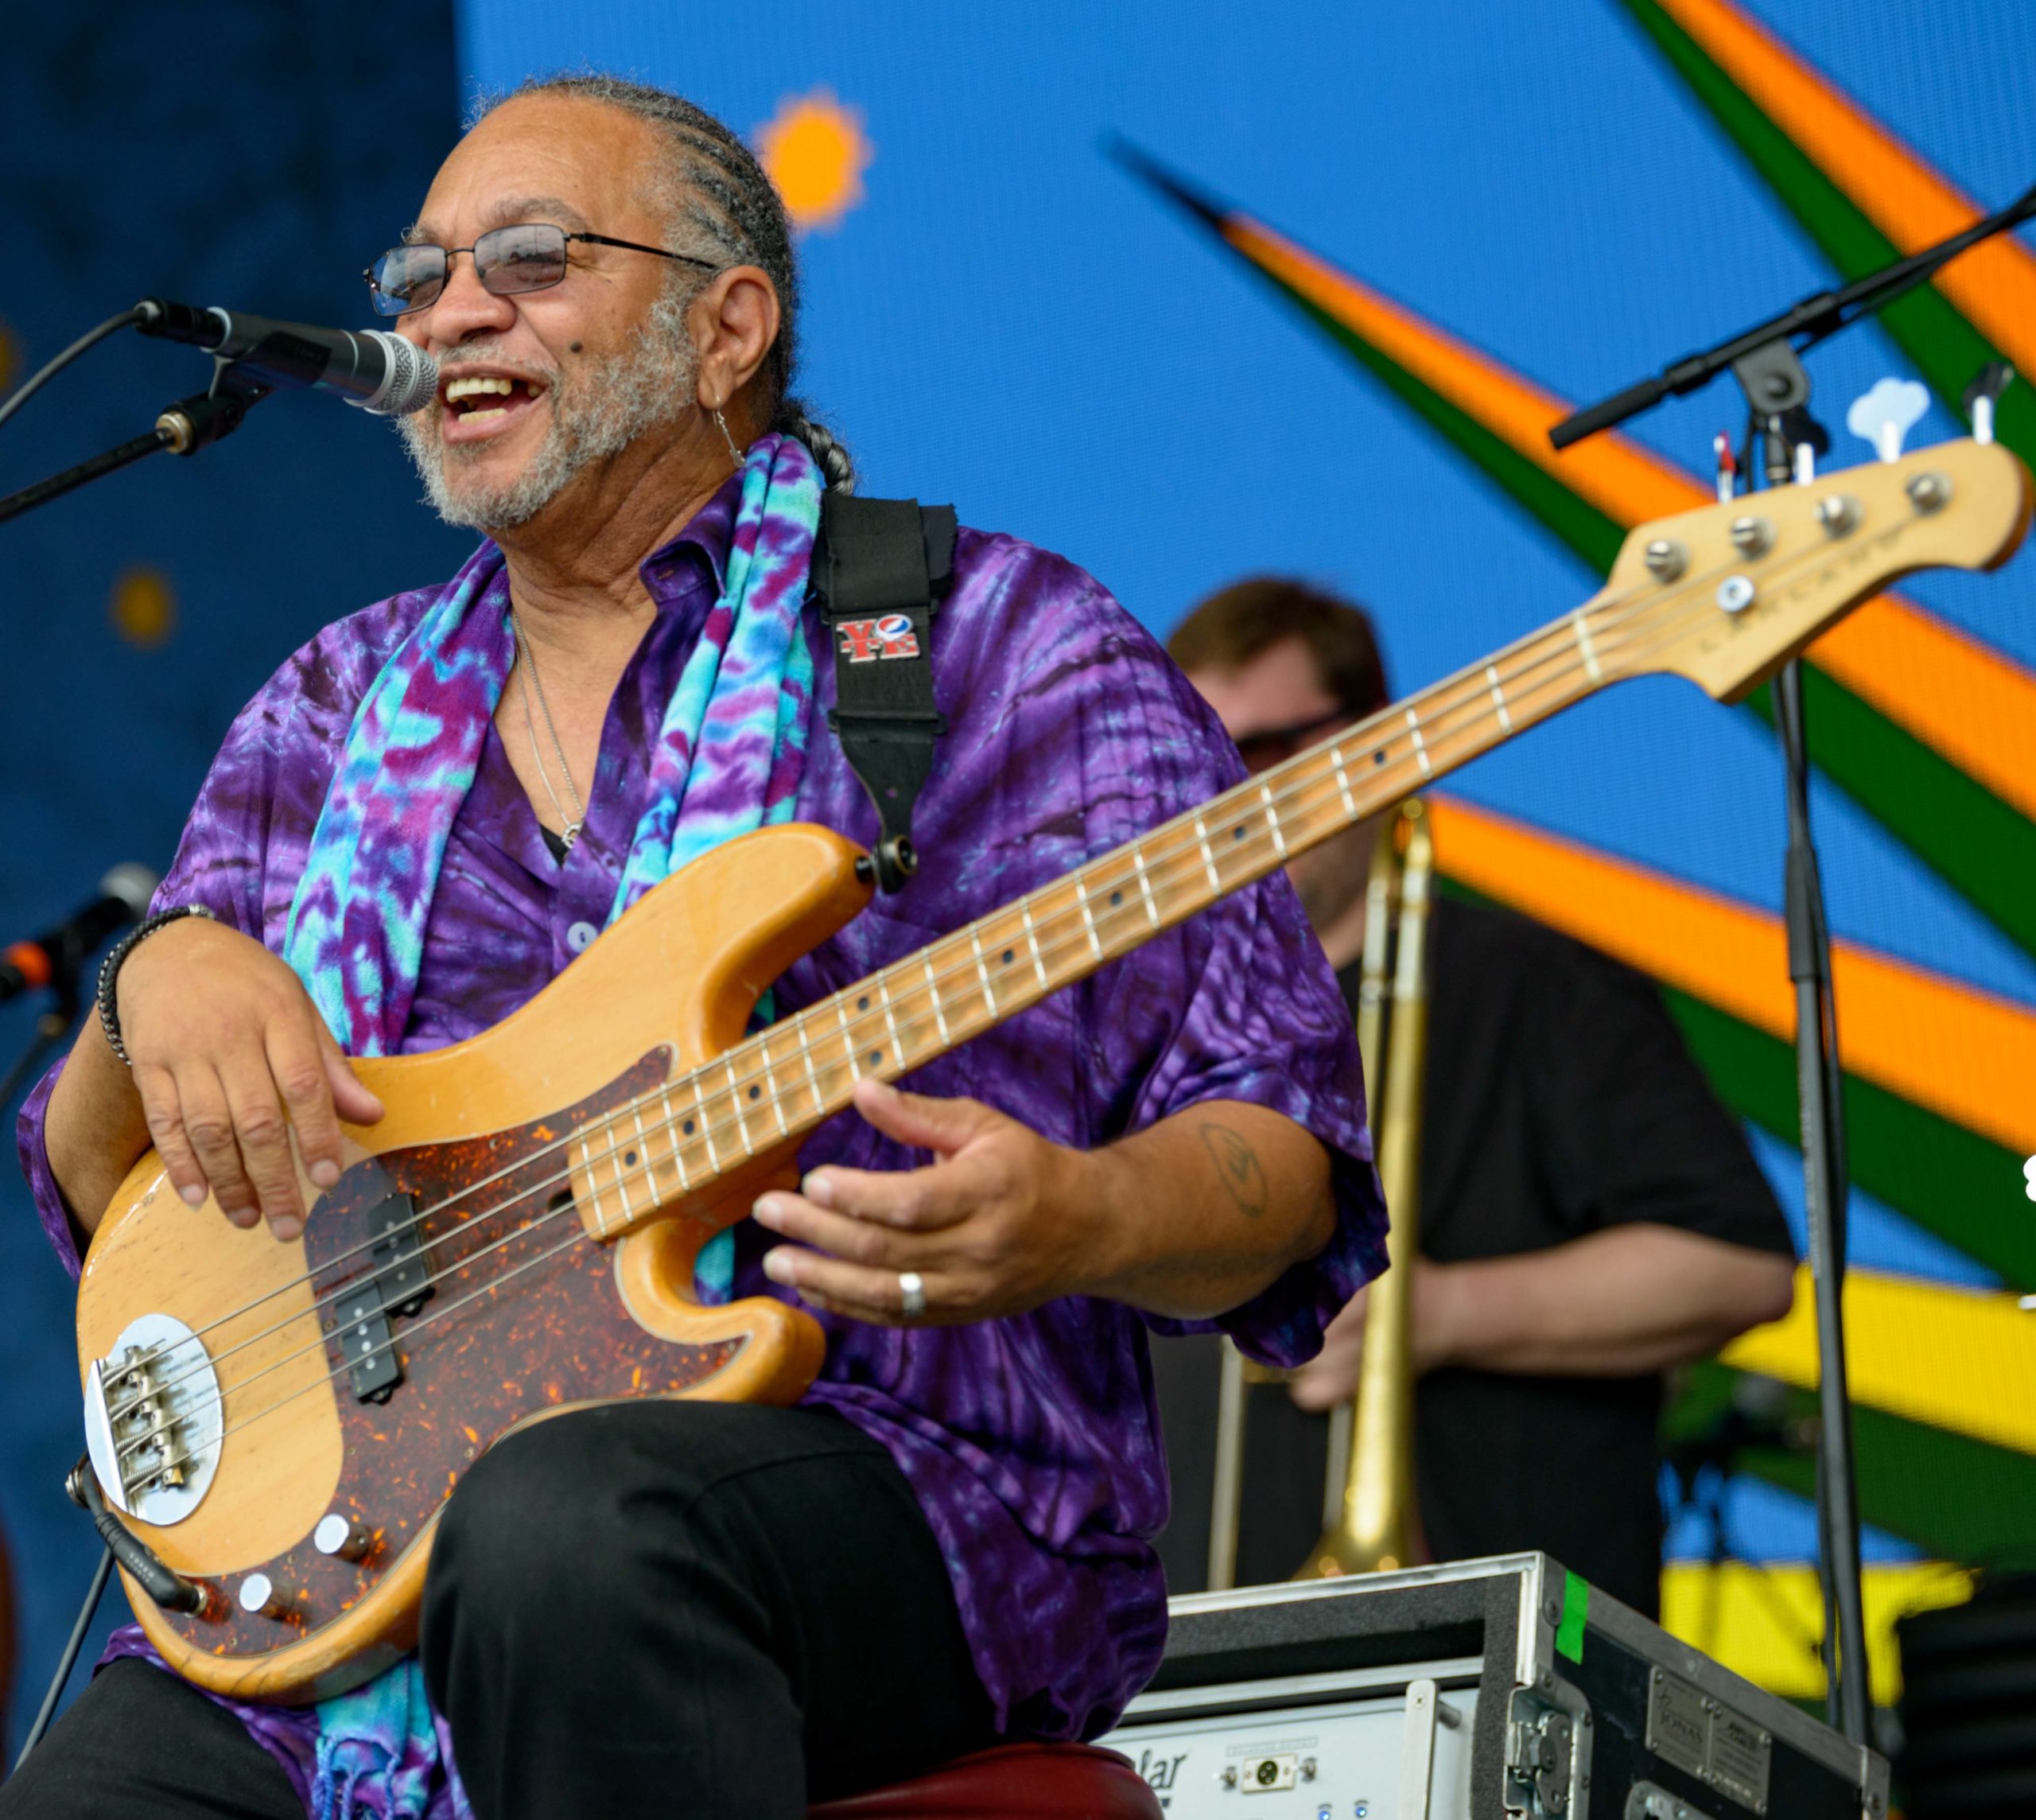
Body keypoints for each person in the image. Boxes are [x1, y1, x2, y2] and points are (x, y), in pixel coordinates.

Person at [4, 82, 1381, 1820]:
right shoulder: (331, 709)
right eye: (421, 276)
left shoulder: (998, 647)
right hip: (346, 1589)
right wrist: (150, 980)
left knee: (567, 1530)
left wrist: (1080, 1219)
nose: (450, 312)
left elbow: (1285, 1153)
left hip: (902, 1483)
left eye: (529, 260)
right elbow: (107, 1199)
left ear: (727, 329)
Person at [1162, 577, 1797, 1616]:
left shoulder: (1540, 991)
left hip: (1495, 1656)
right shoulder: (1147, 1037)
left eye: (1270, 751)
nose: (1234, 799)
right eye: (1201, 761)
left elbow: (1740, 1265)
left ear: (1375, 747)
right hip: (1185, 1663)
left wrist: (1441, 1314)